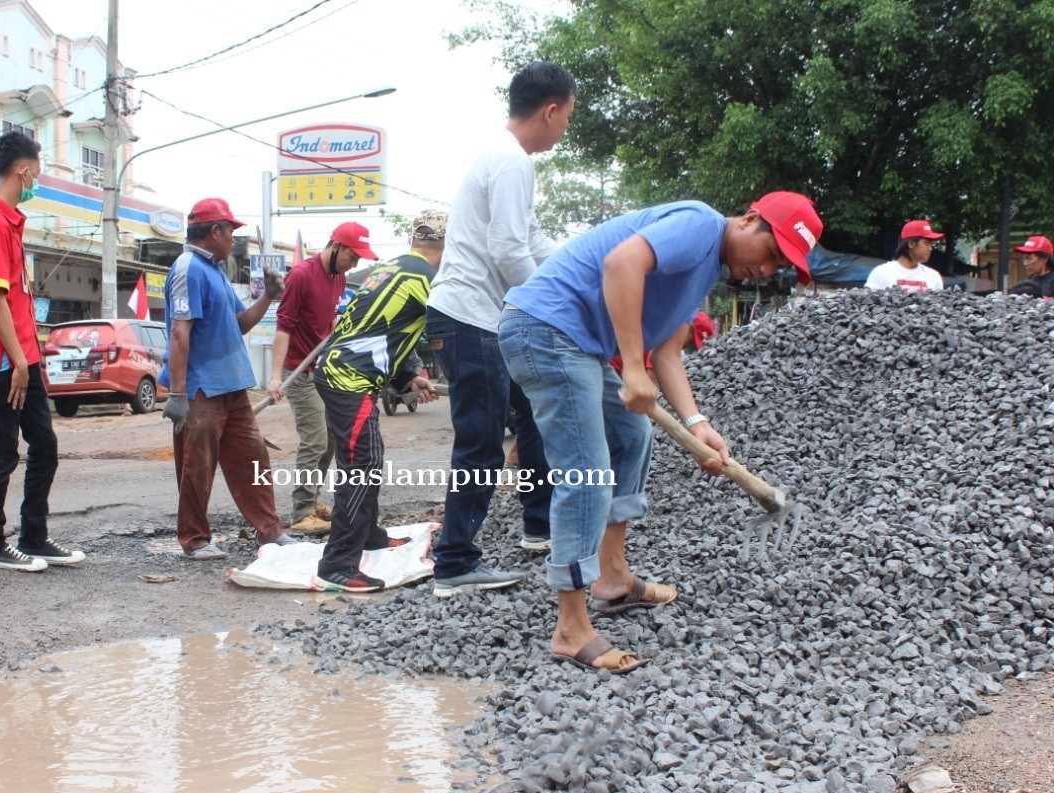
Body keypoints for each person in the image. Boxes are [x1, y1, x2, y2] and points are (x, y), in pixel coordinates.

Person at [499, 191, 823, 673]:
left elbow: (668, 354)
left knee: (634, 437)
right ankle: (570, 628)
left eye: (782, 265)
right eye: (772, 252)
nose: (768, 268)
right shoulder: (700, 225)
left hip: (576, 344)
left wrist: (699, 426)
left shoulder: (705, 274)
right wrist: (632, 366)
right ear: (750, 219)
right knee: (587, 472)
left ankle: (611, 579)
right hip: (545, 330)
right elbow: (621, 262)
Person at [423, 60, 576, 596]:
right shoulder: (512, 163)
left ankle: (538, 525)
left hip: (473, 317)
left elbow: (531, 239)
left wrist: (581, 272)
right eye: (568, 117)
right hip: (472, 318)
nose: (566, 128)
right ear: (551, 109)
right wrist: (553, 308)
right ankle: (456, 562)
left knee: (530, 414)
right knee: (481, 444)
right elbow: (508, 250)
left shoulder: (506, 160)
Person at [0, 131, 85, 572]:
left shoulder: (9, 221)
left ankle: (34, 537)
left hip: (23, 357)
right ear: (23, 169)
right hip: (1, 362)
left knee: (45, 445)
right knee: (3, 450)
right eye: (38, 170)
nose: (39, 178)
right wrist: (18, 361)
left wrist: (28, 357)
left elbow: (13, 300)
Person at [312, 210, 448, 591]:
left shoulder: (391, 269)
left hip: (345, 370)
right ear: (447, 243)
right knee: (361, 464)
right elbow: (449, 326)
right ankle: (337, 565)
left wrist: (409, 377)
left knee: (368, 458)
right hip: (349, 378)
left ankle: (367, 533)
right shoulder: (427, 278)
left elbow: (384, 327)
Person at [160, 198, 297, 559]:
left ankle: (270, 531)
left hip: (232, 384)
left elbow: (239, 325)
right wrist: (178, 393)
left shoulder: (215, 270)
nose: (234, 239)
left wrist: (268, 296)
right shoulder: (188, 267)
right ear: (215, 231)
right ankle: (195, 539)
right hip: (201, 387)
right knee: (197, 465)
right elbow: (179, 332)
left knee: (254, 459)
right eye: (231, 232)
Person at [267, 222, 378, 536]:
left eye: (358, 260)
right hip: (296, 369)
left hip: (320, 367)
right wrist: (275, 377)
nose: (354, 264)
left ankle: (313, 500)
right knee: (314, 439)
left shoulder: (339, 277)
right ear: (336, 245)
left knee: (330, 439)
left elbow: (329, 322)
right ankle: (301, 512)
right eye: (352, 256)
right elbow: (283, 327)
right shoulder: (301, 274)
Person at [863, 220, 944, 293]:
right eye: (926, 243)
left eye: (931, 244)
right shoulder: (881, 273)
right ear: (911, 243)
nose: (930, 249)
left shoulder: (934, 277)